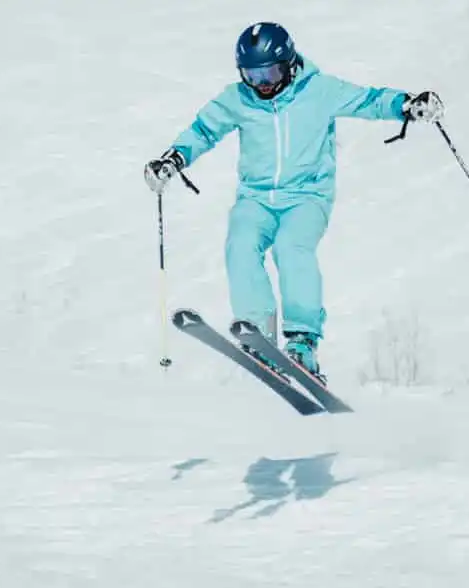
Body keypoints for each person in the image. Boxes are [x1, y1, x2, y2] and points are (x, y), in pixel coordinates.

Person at [144, 21, 443, 383]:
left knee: (291, 248)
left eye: (269, 72)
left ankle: (302, 342)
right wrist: (173, 158)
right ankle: (259, 333)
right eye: (252, 75)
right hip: (255, 198)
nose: (262, 84)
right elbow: (204, 129)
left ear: (288, 64)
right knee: (240, 245)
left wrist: (406, 105)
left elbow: (368, 100)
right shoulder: (238, 98)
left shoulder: (319, 91)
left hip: (307, 197)